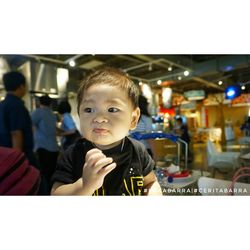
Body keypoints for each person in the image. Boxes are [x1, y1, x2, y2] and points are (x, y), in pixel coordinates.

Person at [51, 67, 162, 195]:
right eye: (89, 110)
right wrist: (85, 186)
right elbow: (56, 193)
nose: (99, 119)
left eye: (112, 109)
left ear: (133, 118)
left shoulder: (138, 151)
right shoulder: (73, 154)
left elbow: (151, 182)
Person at [0, 71, 36, 166]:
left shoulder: (2, 105)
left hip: (4, 156)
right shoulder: (16, 105)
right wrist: (17, 162)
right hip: (17, 158)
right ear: (21, 86)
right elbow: (16, 133)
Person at [31, 95, 59, 192]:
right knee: (51, 174)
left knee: (42, 175)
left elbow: (29, 124)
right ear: (50, 103)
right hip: (54, 148)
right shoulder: (53, 114)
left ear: (39, 102)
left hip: (42, 147)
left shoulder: (38, 112)